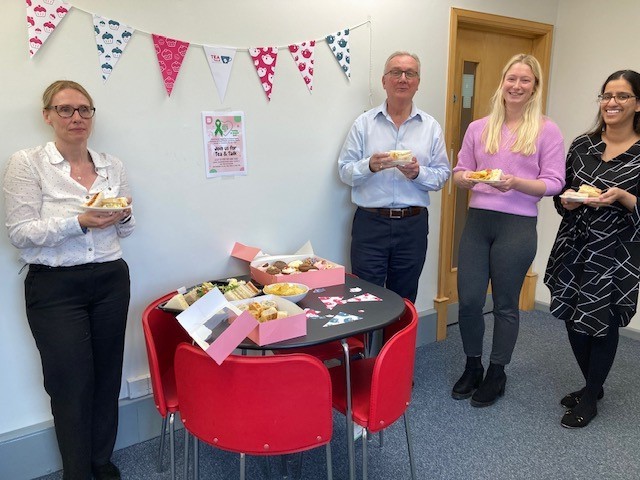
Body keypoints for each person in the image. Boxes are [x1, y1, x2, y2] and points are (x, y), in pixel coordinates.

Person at [3, 80, 135, 479]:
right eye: (65, 109)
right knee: (70, 384)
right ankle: (76, 472)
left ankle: (101, 462)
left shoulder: (112, 165)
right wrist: (79, 221)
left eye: (84, 109)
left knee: (108, 377)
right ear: (47, 116)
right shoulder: (28, 163)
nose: (76, 117)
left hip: (110, 278)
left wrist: (123, 215)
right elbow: (20, 232)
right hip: (55, 286)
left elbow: (127, 229)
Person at [451, 54, 565, 407]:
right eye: (511, 78)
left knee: (504, 304)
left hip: (517, 226)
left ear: (534, 87)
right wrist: (465, 178)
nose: (516, 86)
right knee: (470, 300)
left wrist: (515, 182)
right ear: (502, 82)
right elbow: (460, 171)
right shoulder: (478, 128)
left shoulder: (546, 129)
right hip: (477, 223)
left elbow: (554, 183)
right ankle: (473, 365)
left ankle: (497, 372)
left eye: (525, 80)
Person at [545, 70, 640, 428]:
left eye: (622, 96)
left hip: (618, 252)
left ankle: (590, 397)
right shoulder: (582, 145)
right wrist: (566, 201)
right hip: (575, 243)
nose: (612, 102)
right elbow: (564, 193)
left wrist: (625, 197)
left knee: (603, 320)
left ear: (637, 104)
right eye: (606, 95)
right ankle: (592, 385)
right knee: (573, 316)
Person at [338, 51, 450, 303]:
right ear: (384, 81)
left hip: (412, 225)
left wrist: (418, 173)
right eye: (396, 72)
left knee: (404, 300)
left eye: (410, 73)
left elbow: (442, 176)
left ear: (418, 82)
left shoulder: (431, 127)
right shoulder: (364, 124)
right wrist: (369, 166)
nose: (403, 79)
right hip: (370, 224)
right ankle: (371, 333)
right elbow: (344, 171)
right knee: (365, 299)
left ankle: (401, 333)